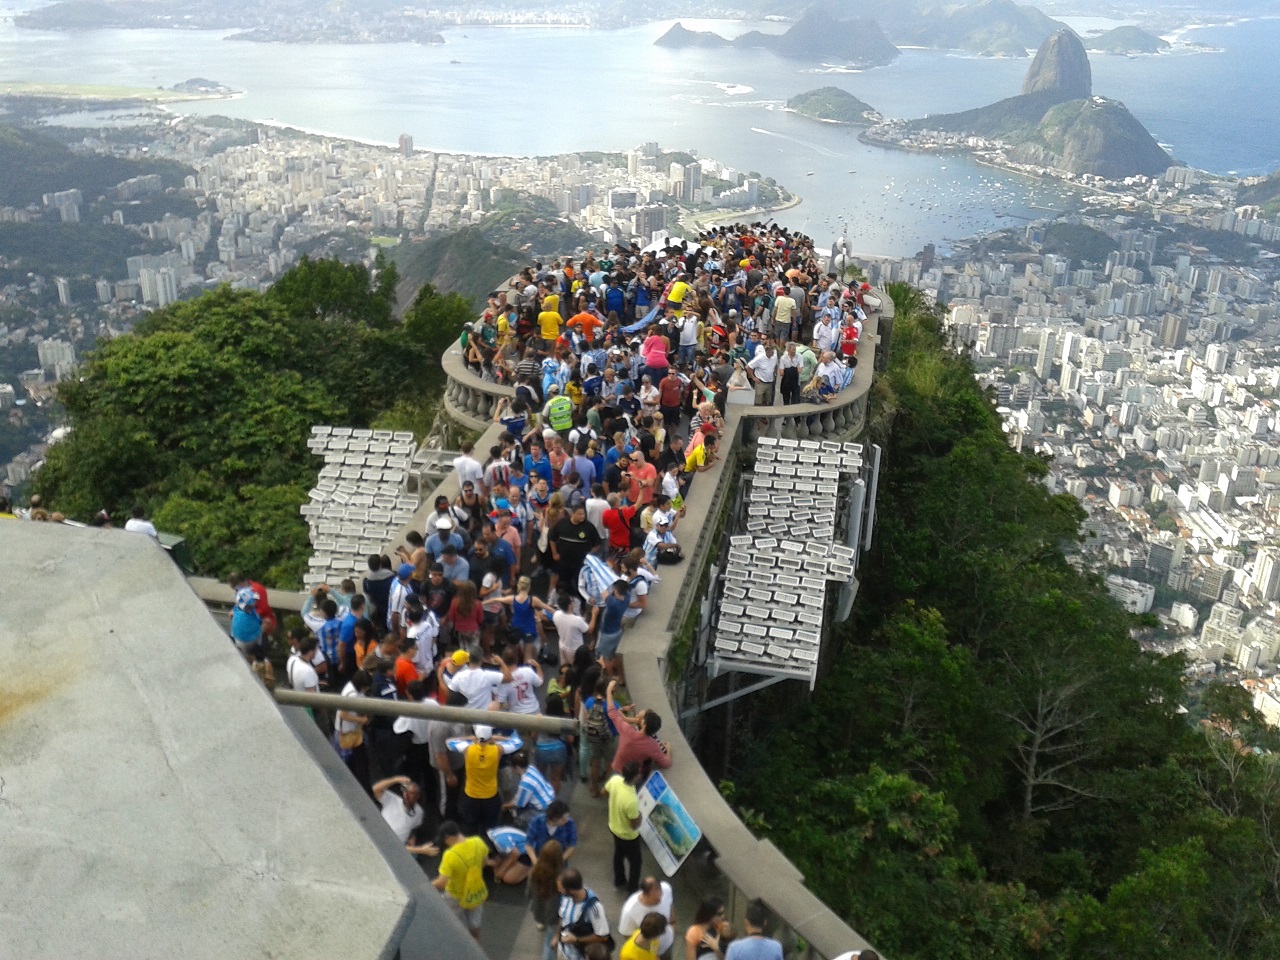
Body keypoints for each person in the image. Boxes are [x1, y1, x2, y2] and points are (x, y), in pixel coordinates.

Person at [452, 723, 522, 835]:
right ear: (490, 736)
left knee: (469, 828)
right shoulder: (497, 750)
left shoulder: (467, 749)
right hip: (490, 796)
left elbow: (451, 742)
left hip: (471, 796)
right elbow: (517, 742)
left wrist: (471, 739)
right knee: (491, 828)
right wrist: (497, 738)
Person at [432, 821, 497, 941]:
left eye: (444, 840)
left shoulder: (450, 855)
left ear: (449, 838)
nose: (445, 844)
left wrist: (428, 885)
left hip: (455, 895)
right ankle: (475, 944)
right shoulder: (478, 842)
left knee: (452, 921)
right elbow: (485, 862)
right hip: (475, 891)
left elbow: (441, 883)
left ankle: (456, 944)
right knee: (475, 921)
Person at [607, 680, 671, 778]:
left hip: (618, 768)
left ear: (643, 724)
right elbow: (666, 763)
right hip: (633, 776)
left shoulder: (627, 730)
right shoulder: (653, 745)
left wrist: (608, 690)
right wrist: (668, 750)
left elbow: (612, 712)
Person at [603, 760, 644, 893]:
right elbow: (634, 825)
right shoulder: (631, 800)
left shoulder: (615, 780)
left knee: (619, 854)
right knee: (636, 862)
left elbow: (604, 792)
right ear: (636, 776)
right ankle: (632, 888)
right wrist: (640, 816)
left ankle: (619, 880)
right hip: (628, 835)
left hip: (614, 826)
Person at [555, 868, 612, 960]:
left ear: (571, 890)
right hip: (564, 952)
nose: (559, 891)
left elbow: (603, 936)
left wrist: (576, 939)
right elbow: (562, 917)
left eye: (561, 889)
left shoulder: (594, 907)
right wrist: (556, 937)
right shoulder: (566, 897)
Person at [619, 877, 677, 958]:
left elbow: (670, 906)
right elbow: (627, 935)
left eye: (661, 894)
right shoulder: (629, 910)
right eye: (655, 899)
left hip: (666, 946)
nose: (660, 901)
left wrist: (673, 926)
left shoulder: (666, 888)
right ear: (645, 894)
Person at [529, 839, 566, 953]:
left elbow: (529, 892)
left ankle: (541, 924)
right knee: (550, 941)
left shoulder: (534, 871)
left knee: (544, 925)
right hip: (553, 915)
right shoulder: (559, 877)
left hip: (538, 907)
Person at [373, 775, 425, 847]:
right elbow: (375, 789)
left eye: (411, 793)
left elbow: (413, 828)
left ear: (417, 796)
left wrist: (412, 838)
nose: (406, 795)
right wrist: (395, 780)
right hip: (379, 840)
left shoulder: (419, 812)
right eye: (405, 791)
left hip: (399, 848)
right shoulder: (392, 799)